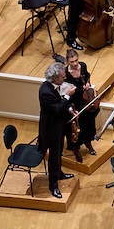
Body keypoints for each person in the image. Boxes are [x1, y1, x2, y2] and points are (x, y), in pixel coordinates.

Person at [35, 61, 72, 198]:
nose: (65, 78)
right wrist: (67, 96)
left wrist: (69, 108)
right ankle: (53, 184)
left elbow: (59, 103)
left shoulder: (54, 86)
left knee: (59, 151)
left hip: (58, 126)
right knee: (54, 156)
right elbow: (56, 109)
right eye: (62, 77)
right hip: (50, 129)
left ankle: (59, 173)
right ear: (55, 78)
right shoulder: (45, 91)